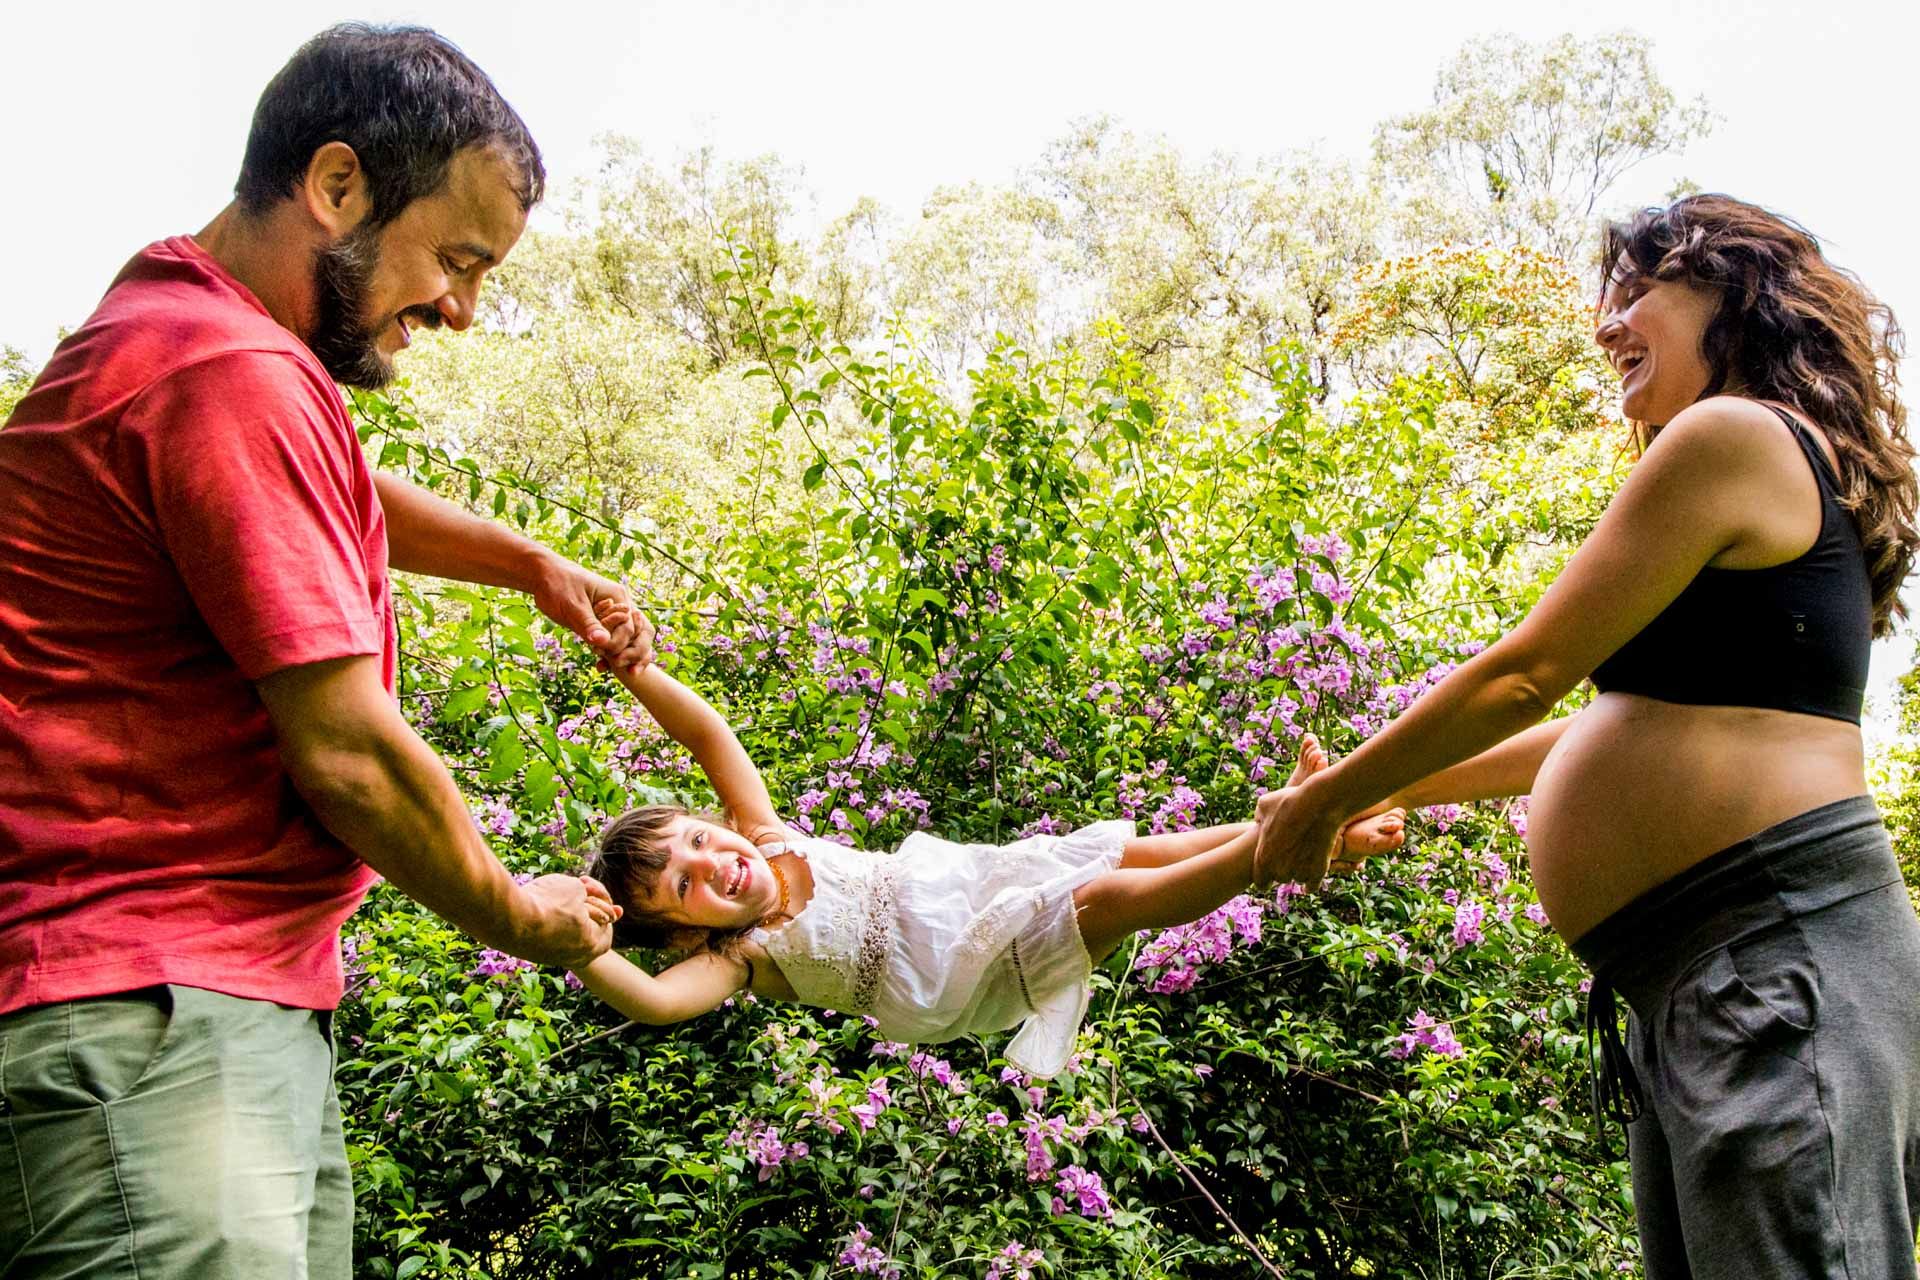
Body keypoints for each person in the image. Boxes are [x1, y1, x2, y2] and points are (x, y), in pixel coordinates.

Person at [0, 24, 648, 1280]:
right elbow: (349, 755)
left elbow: (337, 480)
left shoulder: (187, 336)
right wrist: (520, 913)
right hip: (149, 1021)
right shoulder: (227, 371)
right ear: (338, 184)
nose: (460, 309)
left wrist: (529, 563)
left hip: (201, 1014)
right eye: (455, 259)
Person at [1251, 194, 1920, 1275]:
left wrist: (1324, 800)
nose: (1608, 323)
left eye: (1640, 290)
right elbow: (1605, 726)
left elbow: (1525, 676)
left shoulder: (1734, 434)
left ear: (1735, 297)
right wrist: (1387, 788)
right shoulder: (1749, 471)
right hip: (1701, 979)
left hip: (1775, 956)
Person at [573, 613, 1404, 1075]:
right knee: (1110, 900)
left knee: (1138, 853)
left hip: (969, 885)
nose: (711, 864)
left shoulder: (766, 835)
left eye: (697, 841)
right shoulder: (740, 958)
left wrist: (636, 671)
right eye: (685, 886)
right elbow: (654, 1003)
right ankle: (1287, 836)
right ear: (684, 934)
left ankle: (1320, 834)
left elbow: (710, 737)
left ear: (718, 824)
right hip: (956, 978)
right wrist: (579, 949)